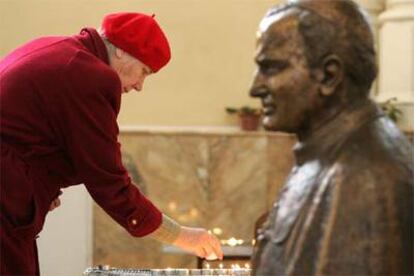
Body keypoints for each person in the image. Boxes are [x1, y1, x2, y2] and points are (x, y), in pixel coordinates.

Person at [0, 12, 223, 275]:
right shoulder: (90, 77)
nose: (139, 86)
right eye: (144, 71)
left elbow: (31, 133)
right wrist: (182, 236)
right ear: (121, 52)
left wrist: (42, 185)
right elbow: (108, 180)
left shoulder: (58, 48)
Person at [249, 0, 413, 275]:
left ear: (329, 76)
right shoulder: (326, 156)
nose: (256, 88)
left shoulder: (363, 179)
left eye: (272, 68)